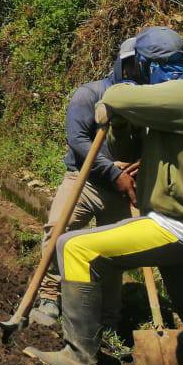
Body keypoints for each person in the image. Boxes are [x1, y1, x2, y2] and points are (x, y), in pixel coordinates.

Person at [25, 27, 183, 365]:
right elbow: (127, 145)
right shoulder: (173, 104)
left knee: (73, 247)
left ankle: (79, 356)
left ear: (148, 64)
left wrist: (115, 101)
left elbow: (119, 97)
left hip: (176, 227)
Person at [29, 38, 139, 329]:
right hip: (84, 179)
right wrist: (111, 171)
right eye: (128, 65)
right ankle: (49, 296)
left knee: (114, 251)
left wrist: (137, 167)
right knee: (58, 230)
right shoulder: (89, 94)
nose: (132, 72)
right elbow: (77, 140)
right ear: (119, 63)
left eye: (138, 66)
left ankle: (108, 316)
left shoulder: (146, 103)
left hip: (122, 189)